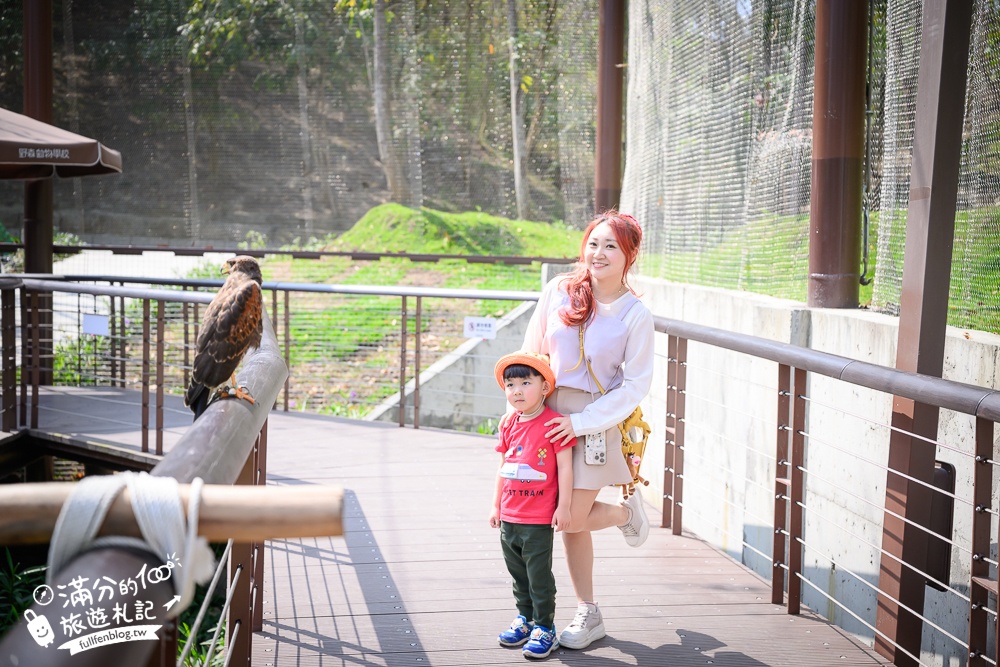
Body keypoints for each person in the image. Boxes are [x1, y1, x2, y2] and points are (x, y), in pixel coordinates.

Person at [518, 209, 655, 650]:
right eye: (593, 243)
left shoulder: (635, 315)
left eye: (611, 245)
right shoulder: (559, 291)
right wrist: (519, 405)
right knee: (556, 520)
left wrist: (579, 422)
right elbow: (532, 351)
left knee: (572, 519)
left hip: (593, 423)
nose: (598, 253)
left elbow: (634, 386)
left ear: (629, 255)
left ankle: (623, 513)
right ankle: (588, 612)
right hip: (545, 413)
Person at [490, 352, 574, 660]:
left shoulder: (554, 424)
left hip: (538, 518)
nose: (517, 390)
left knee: (538, 576)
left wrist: (563, 507)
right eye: (510, 384)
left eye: (526, 382)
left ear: (545, 386)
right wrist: (496, 506)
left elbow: (565, 468)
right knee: (518, 575)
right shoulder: (509, 423)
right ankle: (524, 619)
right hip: (510, 515)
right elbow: (503, 465)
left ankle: (545, 628)